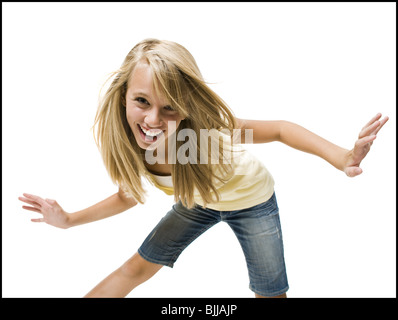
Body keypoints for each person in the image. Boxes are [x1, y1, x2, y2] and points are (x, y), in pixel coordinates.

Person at [18, 38, 388, 298]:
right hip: (199, 203)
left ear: (188, 107)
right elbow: (126, 196)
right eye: (142, 101)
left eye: (170, 108)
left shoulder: (206, 131)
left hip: (253, 202)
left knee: (269, 290)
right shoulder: (130, 143)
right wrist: (67, 220)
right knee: (134, 269)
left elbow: (278, 130)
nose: (152, 120)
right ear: (124, 96)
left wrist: (342, 157)